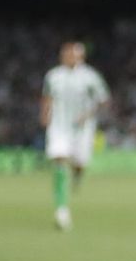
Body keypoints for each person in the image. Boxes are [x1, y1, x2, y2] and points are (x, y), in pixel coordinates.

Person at [40, 41, 110, 230]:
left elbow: (103, 100)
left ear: (81, 56)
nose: (68, 57)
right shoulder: (53, 76)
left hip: (83, 129)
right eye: (66, 54)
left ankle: (77, 176)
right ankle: (61, 210)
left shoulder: (90, 77)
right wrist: (44, 116)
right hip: (59, 126)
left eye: (72, 54)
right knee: (59, 160)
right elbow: (47, 97)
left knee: (79, 164)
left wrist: (87, 115)